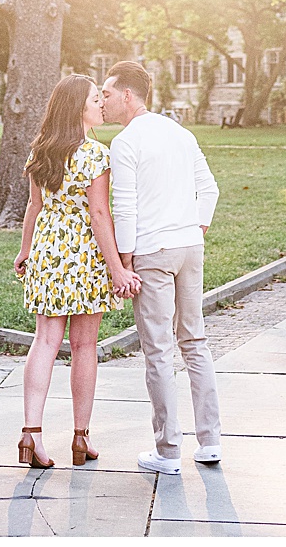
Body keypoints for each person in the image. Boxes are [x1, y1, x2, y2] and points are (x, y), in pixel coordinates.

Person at [101, 59, 225, 476]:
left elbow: (125, 206)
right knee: (195, 341)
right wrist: (195, 226)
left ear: (128, 96)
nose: (102, 100)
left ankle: (168, 450)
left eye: (107, 93)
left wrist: (124, 260)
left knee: (158, 350)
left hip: (153, 253)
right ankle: (210, 442)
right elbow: (209, 189)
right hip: (190, 246)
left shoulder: (125, 142)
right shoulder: (180, 132)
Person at [12, 74, 141, 468]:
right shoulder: (94, 154)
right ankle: (80, 438)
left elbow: (33, 208)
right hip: (84, 256)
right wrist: (118, 268)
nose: (101, 104)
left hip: (48, 253)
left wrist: (25, 251)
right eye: (93, 100)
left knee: (45, 341)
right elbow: (100, 214)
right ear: (78, 109)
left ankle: (30, 434)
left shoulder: (41, 150)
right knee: (84, 345)